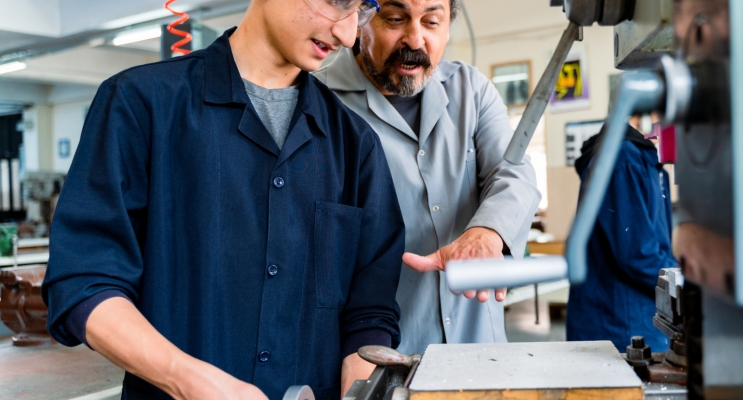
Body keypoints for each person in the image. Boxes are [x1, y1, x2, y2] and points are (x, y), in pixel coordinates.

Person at [41, 1, 404, 398]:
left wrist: (362, 374)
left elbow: (370, 307)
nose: (348, 34)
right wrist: (185, 379)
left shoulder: (355, 143)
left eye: (363, 10)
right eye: (337, 2)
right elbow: (83, 283)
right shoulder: (139, 104)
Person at [315, 0, 541, 355]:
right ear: (361, 19)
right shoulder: (319, 102)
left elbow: (513, 171)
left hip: (481, 348)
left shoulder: (471, 90)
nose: (416, 40)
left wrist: (488, 232)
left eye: (432, 22)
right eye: (394, 19)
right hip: (381, 357)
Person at [565, 122, 678, 353]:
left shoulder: (655, 168)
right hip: (620, 325)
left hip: (646, 317)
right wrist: (688, 284)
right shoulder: (624, 158)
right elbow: (636, 255)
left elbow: (660, 245)